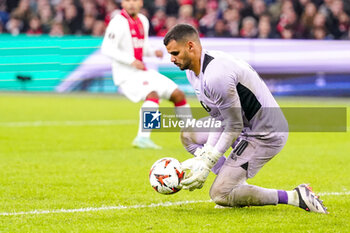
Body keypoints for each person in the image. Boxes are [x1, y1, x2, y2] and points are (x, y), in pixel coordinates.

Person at [163, 23, 328, 214]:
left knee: (220, 195)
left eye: (175, 53)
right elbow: (219, 118)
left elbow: (233, 125)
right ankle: (234, 182)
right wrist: (207, 153)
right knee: (188, 136)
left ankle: (296, 196)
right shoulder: (194, 69)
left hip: (264, 134)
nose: (172, 59)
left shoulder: (216, 74)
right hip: (243, 126)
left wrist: (208, 162)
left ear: (191, 46)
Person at [101, 0, 191, 149]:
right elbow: (107, 48)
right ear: (122, 3)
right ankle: (142, 138)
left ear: (141, 3)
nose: (131, 4)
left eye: (135, 0)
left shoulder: (142, 20)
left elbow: (141, 45)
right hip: (126, 75)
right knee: (152, 95)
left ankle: (191, 134)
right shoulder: (117, 22)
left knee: (178, 94)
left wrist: (152, 51)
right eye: (128, 1)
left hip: (141, 71)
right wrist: (131, 60)